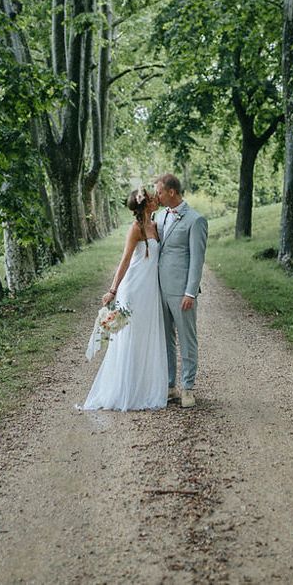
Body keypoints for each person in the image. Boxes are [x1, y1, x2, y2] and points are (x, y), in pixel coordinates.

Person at [80, 186, 168, 411]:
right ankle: (126, 391)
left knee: (147, 335)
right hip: (133, 289)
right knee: (130, 338)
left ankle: (146, 387)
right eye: (150, 198)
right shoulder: (136, 229)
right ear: (144, 204)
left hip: (150, 290)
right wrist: (112, 289)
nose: (155, 199)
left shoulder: (156, 226)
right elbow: (125, 261)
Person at [154, 173, 208, 408]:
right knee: (166, 339)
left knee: (187, 340)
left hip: (181, 292)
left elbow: (197, 260)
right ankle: (169, 385)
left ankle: (188, 388)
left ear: (171, 192)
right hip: (160, 289)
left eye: (159, 191)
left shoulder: (195, 220)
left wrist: (190, 292)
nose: (157, 195)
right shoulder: (160, 216)